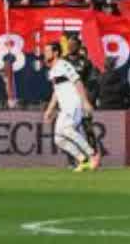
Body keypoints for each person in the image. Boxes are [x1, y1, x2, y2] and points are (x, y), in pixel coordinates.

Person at [42, 39, 100, 172]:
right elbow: (55, 92)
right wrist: (49, 110)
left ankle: (92, 155)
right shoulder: (52, 70)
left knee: (67, 130)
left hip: (73, 103)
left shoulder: (64, 64)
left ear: (55, 53)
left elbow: (78, 81)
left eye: (47, 51)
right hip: (64, 107)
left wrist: (85, 102)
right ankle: (83, 160)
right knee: (58, 139)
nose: (45, 53)